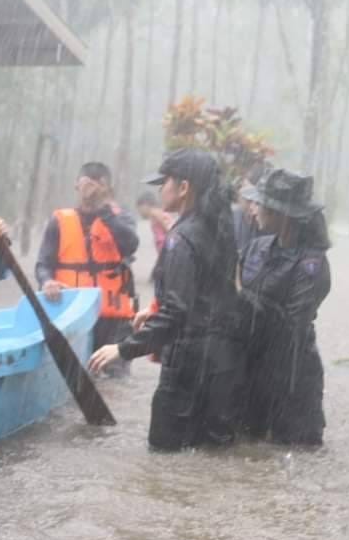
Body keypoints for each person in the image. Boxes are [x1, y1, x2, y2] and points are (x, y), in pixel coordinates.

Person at [88, 148, 246, 450]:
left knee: (166, 455)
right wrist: (154, 308)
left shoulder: (181, 237)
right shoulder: (221, 228)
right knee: (214, 455)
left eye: (165, 182)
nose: (161, 190)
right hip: (224, 364)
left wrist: (122, 349)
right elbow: (210, 294)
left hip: (188, 367)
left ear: (184, 188)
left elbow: (177, 315)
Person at [238, 168, 330, 446]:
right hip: (253, 370)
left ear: (283, 215)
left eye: (261, 204)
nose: (253, 209)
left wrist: (241, 299)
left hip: (292, 375)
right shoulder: (257, 247)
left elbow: (292, 324)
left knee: (290, 454)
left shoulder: (311, 264)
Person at [36, 162, 139, 375]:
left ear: (108, 189)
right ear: (76, 186)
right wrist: (47, 281)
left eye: (97, 184)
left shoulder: (122, 218)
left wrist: (104, 211)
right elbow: (43, 264)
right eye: (85, 183)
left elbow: (130, 244)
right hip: (73, 313)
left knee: (114, 380)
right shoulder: (59, 221)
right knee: (73, 377)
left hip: (113, 319)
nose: (89, 191)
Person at [136, 191, 175, 256]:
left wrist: (171, 249)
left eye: (139, 208)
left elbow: (171, 231)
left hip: (166, 249)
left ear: (145, 205)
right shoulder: (155, 214)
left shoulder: (156, 213)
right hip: (164, 249)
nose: (139, 212)